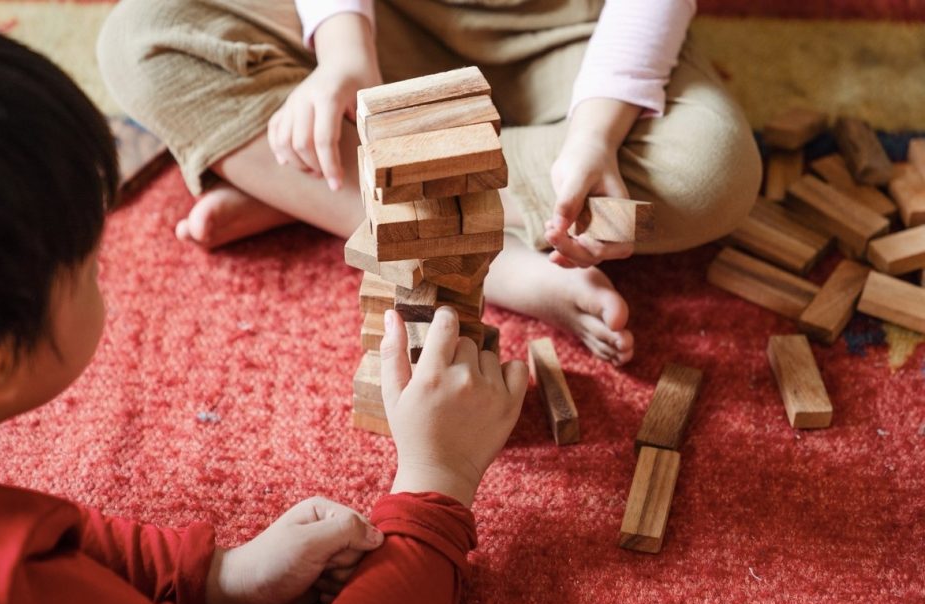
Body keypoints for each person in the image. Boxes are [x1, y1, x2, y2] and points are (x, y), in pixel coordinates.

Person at [0, 23, 527, 604]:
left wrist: (209, 576)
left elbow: (8, 525)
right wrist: (437, 482)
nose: (108, 270)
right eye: (90, 264)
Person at [97, 0, 761, 367]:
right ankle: (492, 261)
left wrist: (595, 137)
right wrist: (345, 53)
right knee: (142, 35)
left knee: (707, 174)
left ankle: (306, 181)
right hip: (381, 23)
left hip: (576, 33)